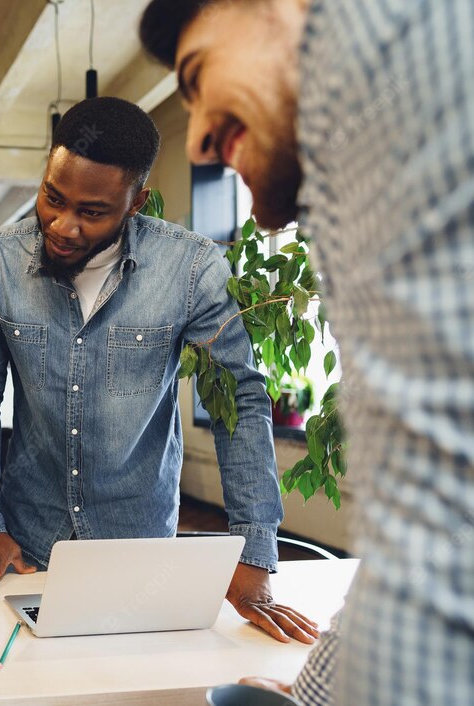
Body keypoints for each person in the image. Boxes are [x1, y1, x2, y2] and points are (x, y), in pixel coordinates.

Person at [139, 0, 473, 704]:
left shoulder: (397, 72)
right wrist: (314, 694)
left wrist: (256, 545)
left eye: (197, 76)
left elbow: (443, 553)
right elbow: (410, 544)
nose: (196, 139)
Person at [0, 96, 318, 644]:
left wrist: (254, 550)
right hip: (28, 534)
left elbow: (238, 397)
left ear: (136, 201)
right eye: (53, 198)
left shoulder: (191, 269)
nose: (64, 226)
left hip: (140, 540)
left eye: (92, 212)